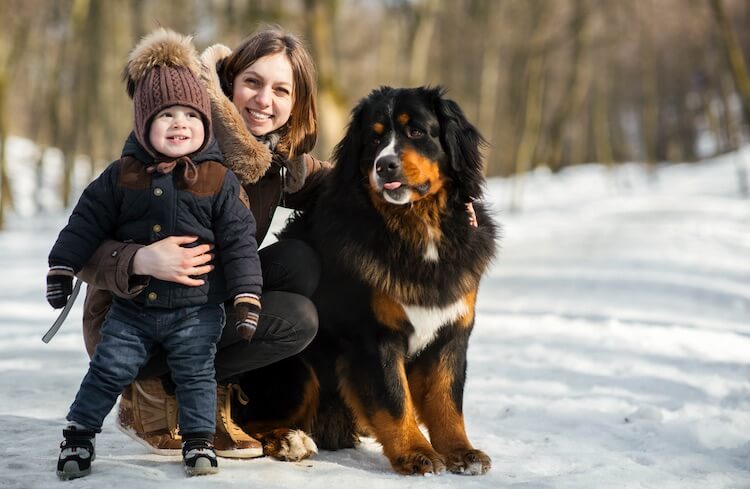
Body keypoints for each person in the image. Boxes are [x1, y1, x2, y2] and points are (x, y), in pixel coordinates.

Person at [74, 27, 330, 460]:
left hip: (199, 304)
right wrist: (140, 259)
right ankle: (150, 391)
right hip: (132, 317)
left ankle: (200, 385)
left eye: (281, 90)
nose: (265, 100)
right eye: (253, 82)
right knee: (296, 318)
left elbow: (341, 181)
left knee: (300, 262)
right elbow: (82, 247)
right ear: (229, 83)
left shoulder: (274, 159)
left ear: (297, 101)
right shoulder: (178, 139)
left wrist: (452, 190)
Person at [46, 29, 263, 479]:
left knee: (197, 374)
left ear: (205, 122)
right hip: (133, 310)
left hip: (197, 310)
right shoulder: (121, 176)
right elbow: (85, 222)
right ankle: (78, 437)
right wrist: (62, 266)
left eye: (189, 114)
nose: (179, 123)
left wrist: (246, 297)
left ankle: (199, 440)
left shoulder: (219, 181)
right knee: (108, 368)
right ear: (144, 125)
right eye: (166, 115)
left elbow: (241, 242)